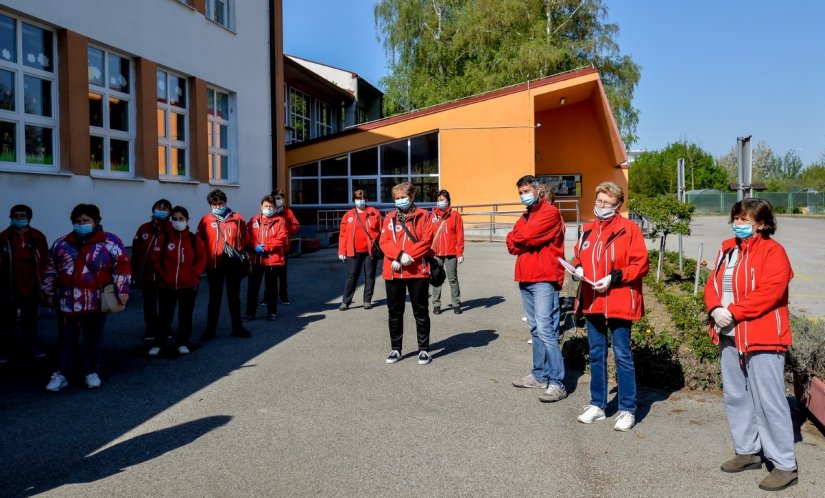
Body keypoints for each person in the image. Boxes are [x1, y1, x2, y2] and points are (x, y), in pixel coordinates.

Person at [704, 198, 798, 492]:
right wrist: (715, 309)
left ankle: (784, 465)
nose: (739, 224)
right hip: (728, 332)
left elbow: (770, 291)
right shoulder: (727, 248)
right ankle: (747, 451)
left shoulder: (774, 252)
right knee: (736, 395)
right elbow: (712, 284)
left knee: (769, 400)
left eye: (745, 220)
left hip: (763, 334)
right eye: (736, 218)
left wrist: (733, 312)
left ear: (763, 223)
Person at [572, 182, 649, 432]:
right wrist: (578, 269)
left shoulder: (629, 230)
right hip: (592, 300)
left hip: (619, 300)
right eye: (599, 201)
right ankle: (598, 404)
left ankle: (628, 409)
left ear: (618, 206)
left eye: (607, 203)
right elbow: (578, 256)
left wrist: (614, 278)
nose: (602, 206)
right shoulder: (587, 230)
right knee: (596, 354)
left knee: (622, 355)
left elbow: (640, 264)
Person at [41, 204, 131, 391]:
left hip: (96, 301)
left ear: (96, 221)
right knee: (67, 339)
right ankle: (61, 374)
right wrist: (48, 293)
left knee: (93, 338)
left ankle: (91, 371)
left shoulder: (110, 242)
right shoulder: (61, 243)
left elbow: (121, 268)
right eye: (78, 221)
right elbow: (50, 270)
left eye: (86, 221)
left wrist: (122, 291)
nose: (81, 224)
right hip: (68, 302)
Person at [506, 175, 567, 402]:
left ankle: (557, 381)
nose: (524, 195)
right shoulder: (525, 216)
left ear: (538, 190)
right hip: (525, 277)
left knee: (546, 329)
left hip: (544, 278)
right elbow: (512, 244)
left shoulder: (550, 213)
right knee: (535, 329)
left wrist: (519, 238)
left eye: (527, 190)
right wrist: (519, 238)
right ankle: (539, 375)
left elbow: (526, 237)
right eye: (520, 192)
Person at [379, 182, 434, 365]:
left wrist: (409, 256)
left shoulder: (424, 216)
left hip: (417, 271)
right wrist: (398, 255)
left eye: (403, 197)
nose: (400, 201)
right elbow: (384, 241)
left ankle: (424, 350)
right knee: (394, 311)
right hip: (394, 271)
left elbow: (426, 241)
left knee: (420, 311)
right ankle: (396, 349)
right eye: (396, 198)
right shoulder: (389, 218)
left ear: (411, 197)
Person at [150, 206, 206, 356]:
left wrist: (194, 274)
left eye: (181, 219)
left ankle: (182, 342)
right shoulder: (164, 238)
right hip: (166, 285)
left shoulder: (195, 240)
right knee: (164, 316)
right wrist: (162, 274)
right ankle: (159, 343)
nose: (177, 221)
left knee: (185, 315)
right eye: (174, 219)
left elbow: (201, 259)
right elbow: (155, 259)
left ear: (187, 220)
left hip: (188, 285)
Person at [197, 189, 250, 340]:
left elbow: (245, 239)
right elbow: (199, 242)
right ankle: (210, 330)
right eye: (214, 204)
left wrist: (242, 255)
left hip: (233, 265)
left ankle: (237, 328)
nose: (218, 206)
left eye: (221, 203)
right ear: (210, 205)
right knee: (214, 298)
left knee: (234, 297)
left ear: (225, 202)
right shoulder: (206, 220)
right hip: (214, 265)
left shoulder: (237, 218)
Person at [0, 205, 49, 362]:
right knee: (6, 320)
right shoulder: (3, 238)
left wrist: (44, 285)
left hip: (32, 285)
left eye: (22, 215)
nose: (19, 218)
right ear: (10, 217)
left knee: (31, 320)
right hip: (10, 286)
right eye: (15, 215)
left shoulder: (37, 237)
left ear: (29, 218)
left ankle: (32, 346)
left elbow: (45, 261)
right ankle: (6, 349)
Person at [132, 199, 172, 342]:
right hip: (146, 274)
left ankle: (165, 328)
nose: (161, 210)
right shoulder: (144, 228)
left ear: (169, 212)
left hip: (164, 274)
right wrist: (134, 272)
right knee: (149, 304)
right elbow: (135, 251)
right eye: (159, 207)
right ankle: (150, 328)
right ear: (153, 209)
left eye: (165, 208)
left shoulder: (170, 229)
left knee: (165, 303)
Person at [244, 194, 288, 321]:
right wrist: (255, 246)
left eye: (270, 206)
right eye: (266, 206)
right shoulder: (253, 220)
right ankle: (250, 313)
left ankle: (272, 312)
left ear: (274, 208)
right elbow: (248, 238)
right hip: (256, 260)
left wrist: (265, 247)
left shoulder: (280, 221)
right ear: (261, 206)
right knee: (252, 288)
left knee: (271, 288)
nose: (268, 208)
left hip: (272, 260)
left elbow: (281, 239)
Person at [338, 190, 382, 311]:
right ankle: (346, 301)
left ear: (366, 200)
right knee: (351, 276)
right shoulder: (348, 215)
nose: (360, 200)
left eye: (363, 198)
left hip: (370, 250)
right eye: (358, 198)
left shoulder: (374, 213)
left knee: (370, 276)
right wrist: (342, 251)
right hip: (353, 250)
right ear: (354, 200)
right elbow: (342, 234)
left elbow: (382, 231)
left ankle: (367, 300)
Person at [430, 189, 464, 315]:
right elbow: (429, 236)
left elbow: (460, 235)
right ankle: (436, 304)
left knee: (453, 279)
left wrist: (460, 252)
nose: (440, 203)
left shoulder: (455, 216)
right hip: (436, 253)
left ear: (448, 201)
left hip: (451, 253)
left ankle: (456, 303)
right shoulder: (432, 216)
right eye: (438, 200)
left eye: (442, 200)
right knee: (436, 278)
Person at [270, 188, 299, 305]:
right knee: (270, 274)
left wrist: (285, 229)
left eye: (279, 198)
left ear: (283, 199)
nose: (277, 200)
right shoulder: (269, 210)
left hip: (283, 247)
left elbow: (296, 227)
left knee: (282, 273)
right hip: (270, 246)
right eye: (275, 198)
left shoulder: (288, 212)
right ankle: (268, 297)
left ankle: (283, 296)